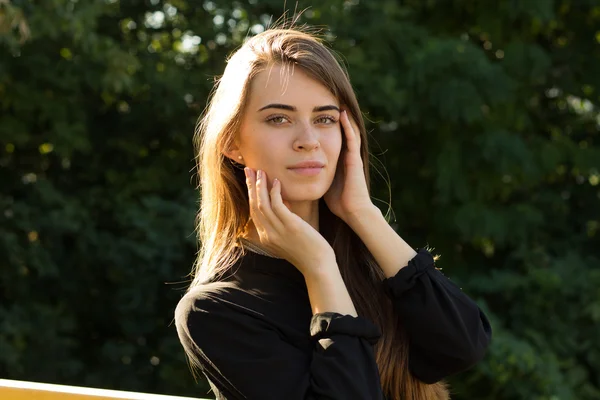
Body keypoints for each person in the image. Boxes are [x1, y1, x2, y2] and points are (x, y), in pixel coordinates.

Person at [174, 26, 492, 400]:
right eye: (279, 118)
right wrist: (320, 268)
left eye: (324, 119)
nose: (308, 140)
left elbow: (463, 346)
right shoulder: (216, 310)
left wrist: (363, 213)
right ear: (231, 142)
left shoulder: (371, 258)